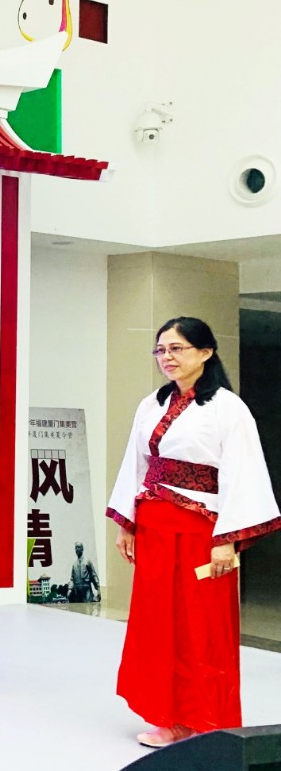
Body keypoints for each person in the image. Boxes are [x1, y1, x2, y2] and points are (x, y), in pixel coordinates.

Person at [106, 317, 281, 749]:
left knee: (203, 626)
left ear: (206, 352)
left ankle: (206, 719)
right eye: (161, 350)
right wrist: (128, 523)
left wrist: (226, 539)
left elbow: (243, 472)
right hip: (155, 525)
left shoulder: (228, 408)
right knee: (157, 623)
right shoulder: (152, 404)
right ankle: (167, 716)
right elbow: (136, 464)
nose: (167, 357)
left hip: (202, 529)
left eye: (177, 348)